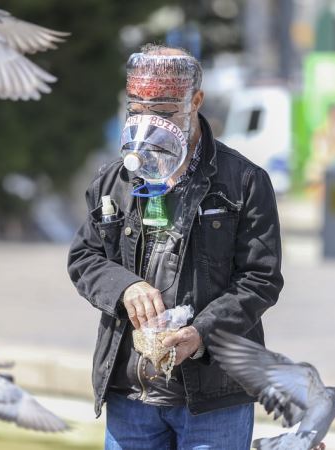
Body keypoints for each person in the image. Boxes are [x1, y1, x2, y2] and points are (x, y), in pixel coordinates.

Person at [67, 44, 283, 449]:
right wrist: (125, 288)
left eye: (164, 112)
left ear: (195, 101)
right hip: (130, 391)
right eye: (138, 108)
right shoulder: (114, 180)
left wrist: (200, 334)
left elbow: (261, 280)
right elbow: (84, 257)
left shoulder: (244, 181)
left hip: (215, 396)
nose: (148, 123)